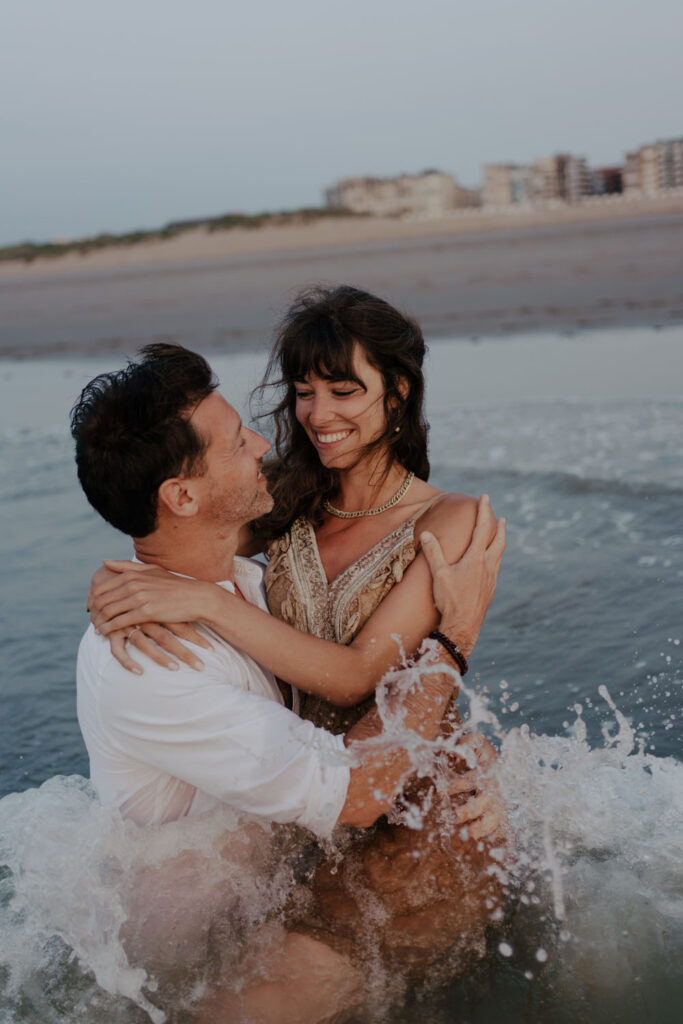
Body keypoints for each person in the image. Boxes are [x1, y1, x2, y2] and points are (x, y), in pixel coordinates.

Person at [73, 341, 506, 1022]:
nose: (260, 439)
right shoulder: (151, 660)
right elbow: (358, 793)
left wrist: (463, 755)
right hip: (199, 973)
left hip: (281, 883)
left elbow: (344, 716)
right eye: (232, 439)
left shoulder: (244, 580)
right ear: (182, 495)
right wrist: (450, 646)